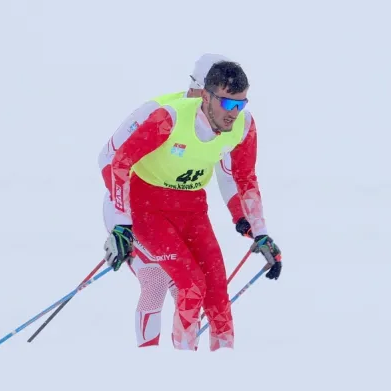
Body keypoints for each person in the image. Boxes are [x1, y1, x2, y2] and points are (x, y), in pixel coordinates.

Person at [107, 59, 282, 351]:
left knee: (218, 296)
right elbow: (118, 163)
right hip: (148, 209)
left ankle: (223, 366)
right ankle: (183, 369)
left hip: (192, 210)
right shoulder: (169, 118)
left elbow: (244, 179)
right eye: (228, 104)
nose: (234, 114)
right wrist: (120, 225)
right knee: (190, 286)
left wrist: (260, 231)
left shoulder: (244, 126)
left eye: (241, 104)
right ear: (205, 96)